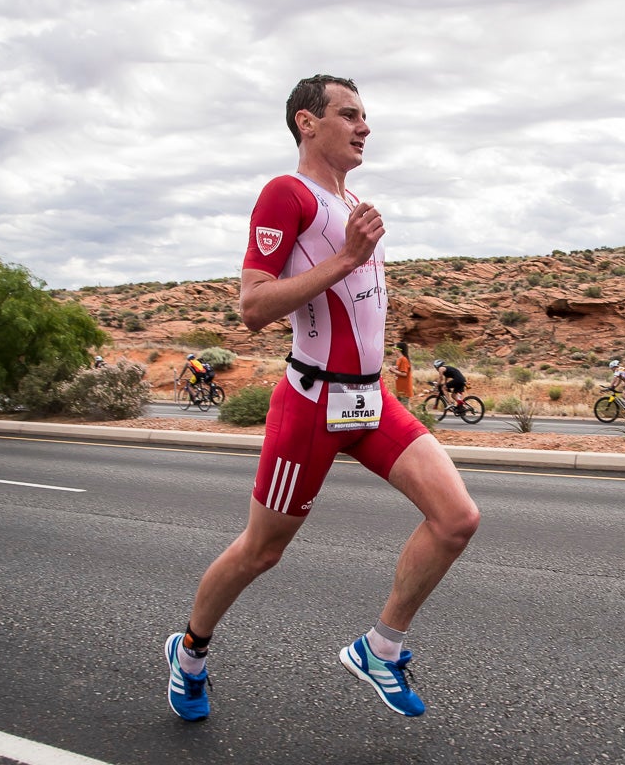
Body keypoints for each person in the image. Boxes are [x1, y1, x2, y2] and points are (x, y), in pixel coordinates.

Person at [164, 75, 480, 722]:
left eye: (366, 116)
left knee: (457, 520)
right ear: (307, 123)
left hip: (370, 403)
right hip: (312, 403)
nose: (365, 126)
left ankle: (381, 649)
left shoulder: (354, 199)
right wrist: (344, 259)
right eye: (350, 114)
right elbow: (252, 305)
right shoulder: (287, 195)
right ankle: (190, 651)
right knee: (262, 550)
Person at [388, 341, 413, 406]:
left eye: (395, 349)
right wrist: (393, 369)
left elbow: (404, 374)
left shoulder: (404, 360)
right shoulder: (399, 359)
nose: (394, 351)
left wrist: (393, 370)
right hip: (400, 390)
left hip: (404, 391)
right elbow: (399, 370)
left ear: (399, 350)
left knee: (405, 410)